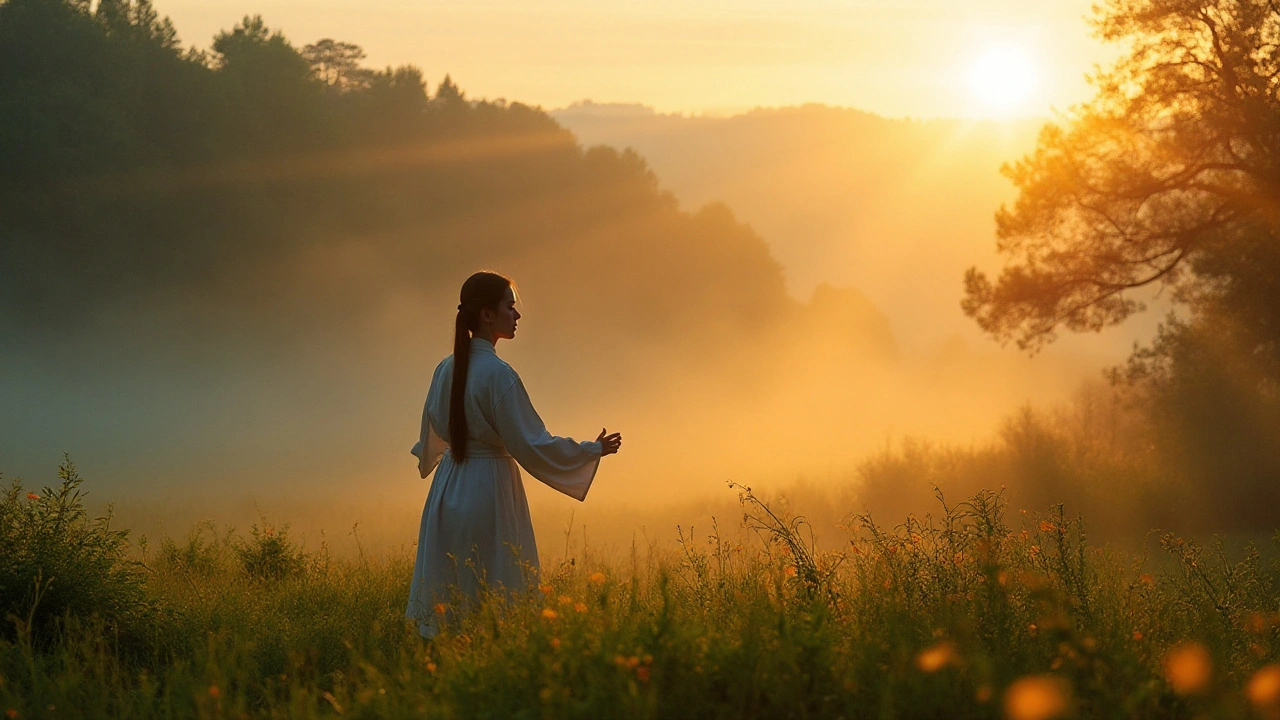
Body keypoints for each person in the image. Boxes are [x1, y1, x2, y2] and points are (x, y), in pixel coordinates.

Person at [407, 271, 622, 638]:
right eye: (510, 307)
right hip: (489, 488)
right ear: (487, 315)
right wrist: (590, 450)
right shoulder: (498, 375)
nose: (517, 315)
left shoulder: (445, 369)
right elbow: (531, 443)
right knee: (496, 582)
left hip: (449, 487)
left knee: (453, 581)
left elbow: (432, 435)